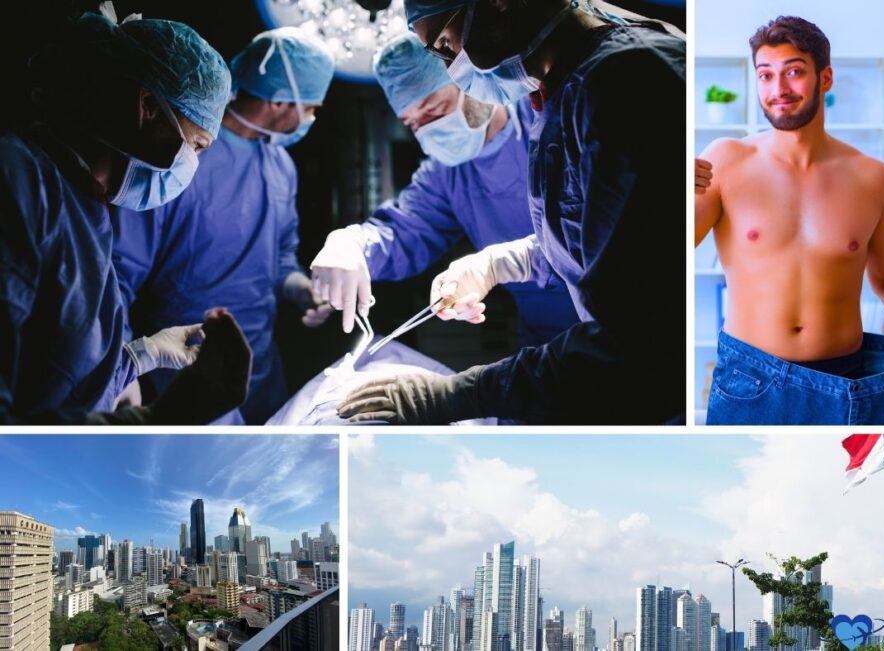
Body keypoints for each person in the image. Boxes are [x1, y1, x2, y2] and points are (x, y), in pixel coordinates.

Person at [336, 0, 685, 423]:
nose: (453, 68)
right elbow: (597, 237)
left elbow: (641, 338)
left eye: (446, 44)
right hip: (573, 363)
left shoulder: (628, 80)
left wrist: (458, 394)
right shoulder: (557, 97)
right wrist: (500, 263)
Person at [694, 16, 884, 425]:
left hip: (846, 380)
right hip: (750, 378)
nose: (779, 89)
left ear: (825, 78)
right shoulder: (726, 160)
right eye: (765, 75)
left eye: (794, 71)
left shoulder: (871, 178)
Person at [0, 7, 251, 425]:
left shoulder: (85, 206)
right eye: (198, 144)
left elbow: (60, 370)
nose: (196, 163)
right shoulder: (18, 183)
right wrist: (158, 418)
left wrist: (140, 357)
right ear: (148, 106)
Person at [111, 27, 336, 424]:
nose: (313, 117)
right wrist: (122, 365)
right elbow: (120, 272)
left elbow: (280, 255)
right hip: (185, 361)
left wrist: (298, 288)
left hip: (262, 366)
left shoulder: (280, 165)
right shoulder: (177, 160)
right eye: (313, 107)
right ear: (282, 100)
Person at [309, 31, 578, 350]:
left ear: (474, 82)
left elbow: (599, 231)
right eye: (413, 124)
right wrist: (352, 245)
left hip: (621, 317)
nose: (427, 130)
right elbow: (403, 231)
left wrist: (499, 264)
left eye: (434, 109)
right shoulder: (447, 173)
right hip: (544, 341)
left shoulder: (555, 121)